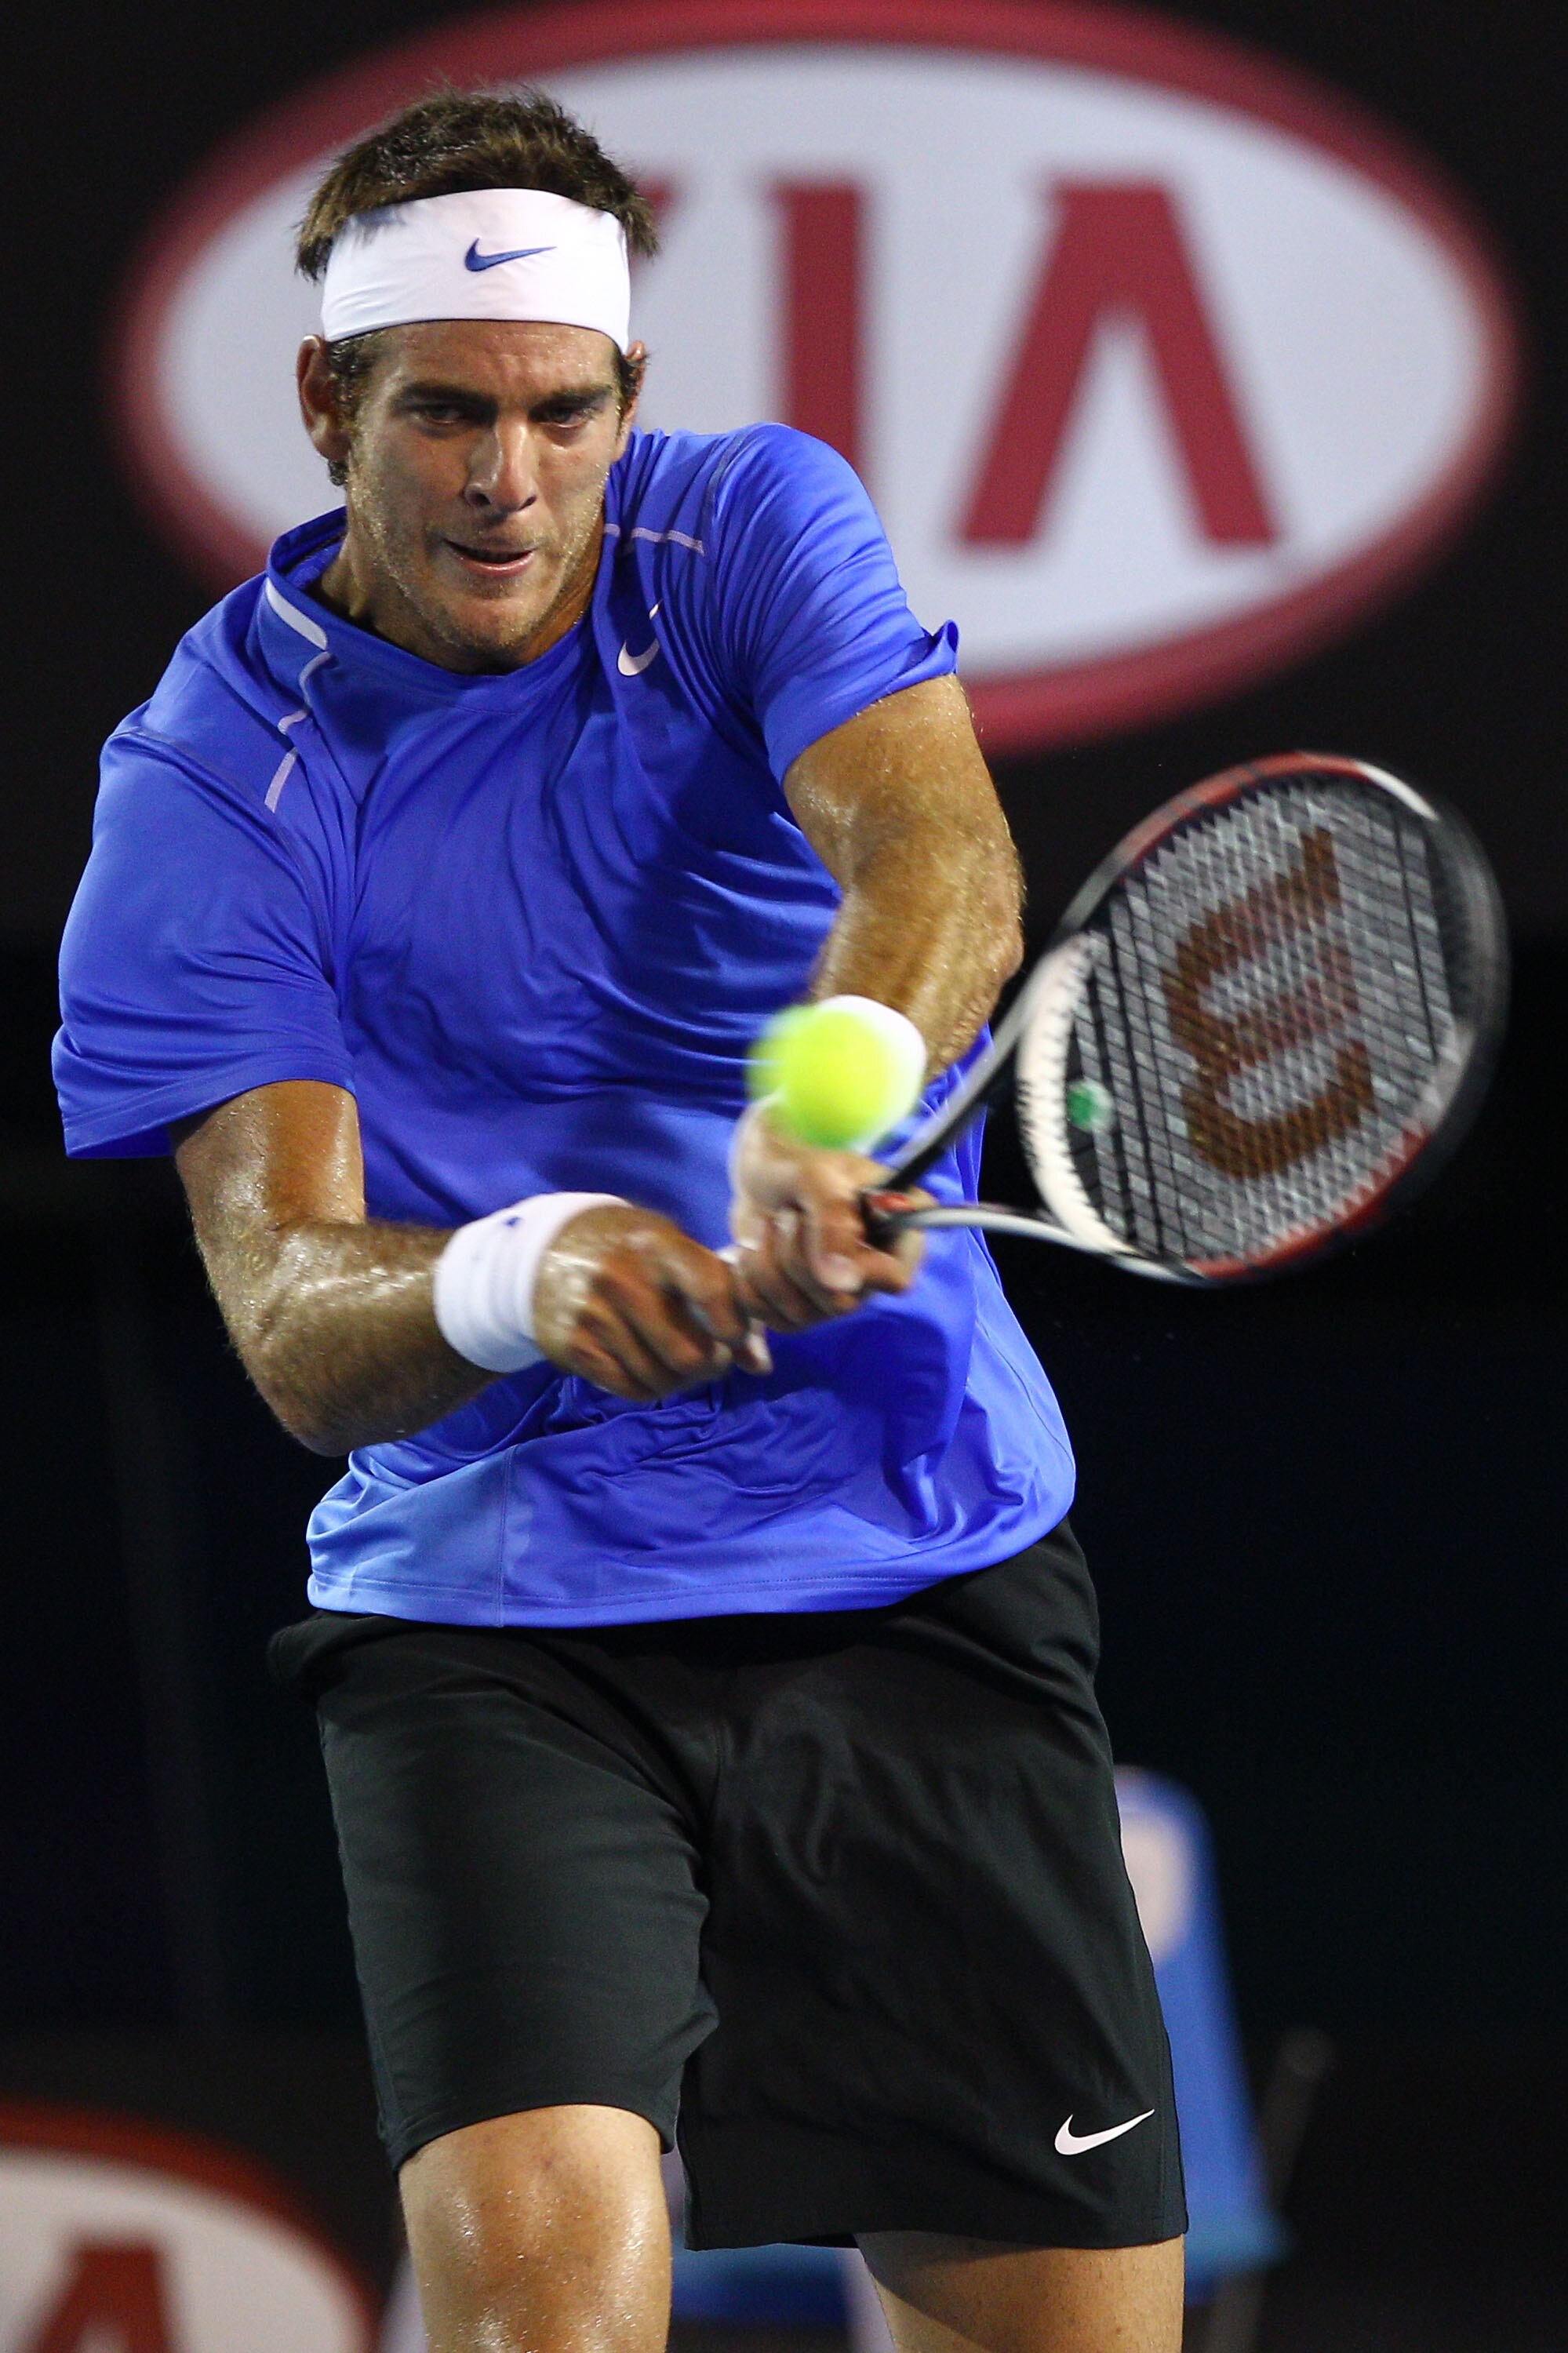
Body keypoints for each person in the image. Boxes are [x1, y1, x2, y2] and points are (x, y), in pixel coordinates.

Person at [56, 89, 1184, 2353]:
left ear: (626, 402)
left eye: (563, 413)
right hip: (502, 1627)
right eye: (447, 416)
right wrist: (525, 1273)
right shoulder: (207, 787)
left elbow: (938, 854)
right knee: (542, 2322)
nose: (509, 478)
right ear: (326, 407)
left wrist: (828, 1095)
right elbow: (290, 1319)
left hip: (914, 1565)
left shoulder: (746, 529)